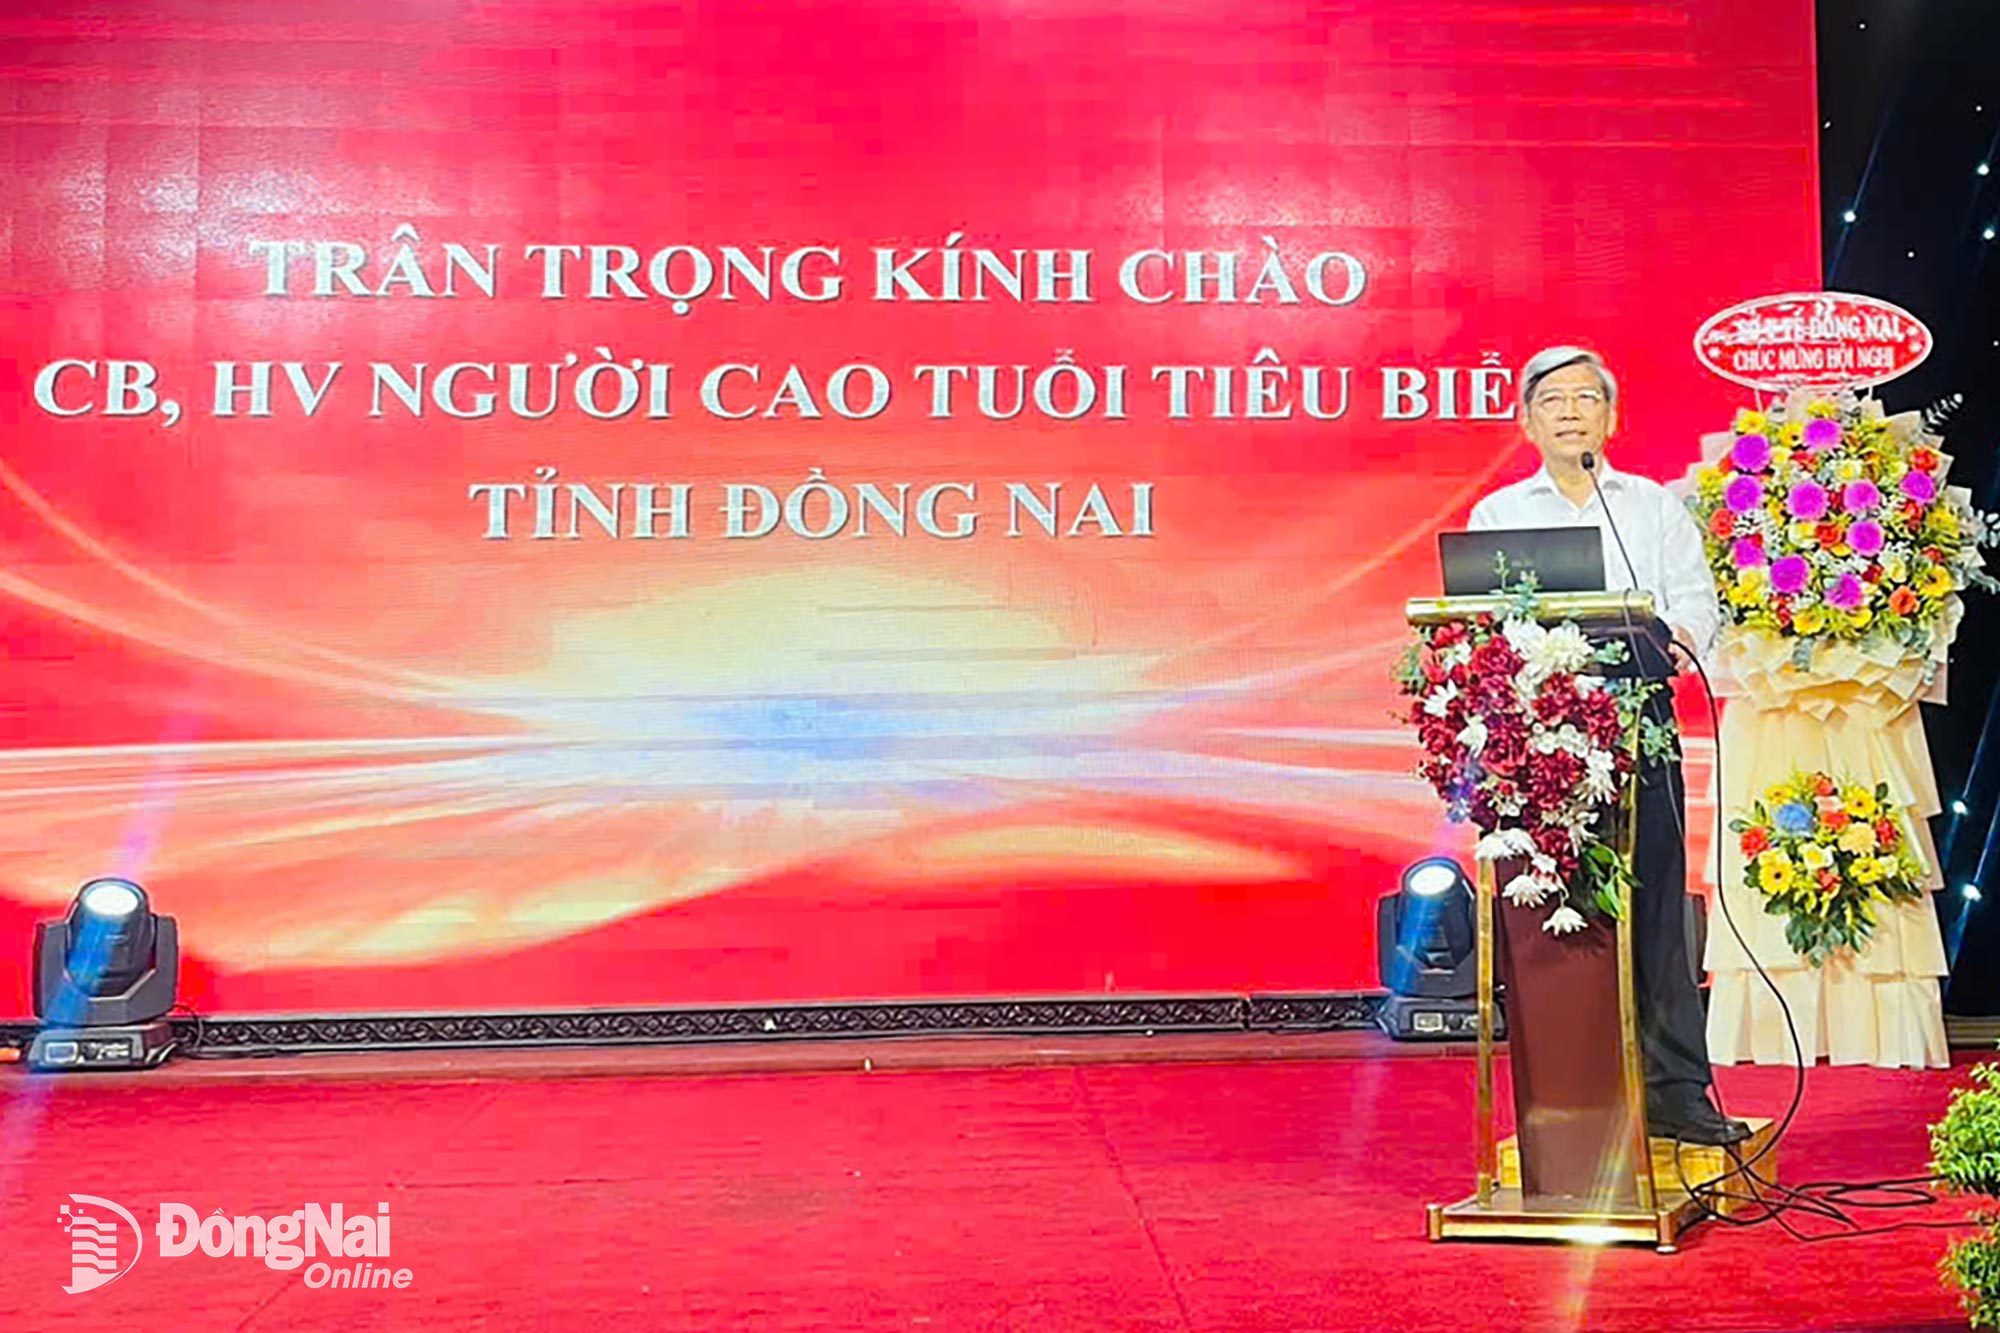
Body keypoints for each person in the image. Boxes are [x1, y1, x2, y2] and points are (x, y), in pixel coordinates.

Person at [1467, 345, 1749, 1147]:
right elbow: (1479, 623)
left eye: (1584, 397)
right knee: (1555, 913)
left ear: (1611, 416)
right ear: (1526, 421)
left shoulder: (1653, 509)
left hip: (1638, 726)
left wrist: (1666, 640)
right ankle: (1571, 1096)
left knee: (1657, 907)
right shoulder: (1498, 516)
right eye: (1550, 399)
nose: (1568, 410)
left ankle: (1676, 1092)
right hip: (1538, 741)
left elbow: (1697, 606)